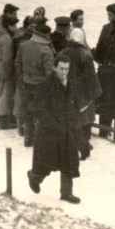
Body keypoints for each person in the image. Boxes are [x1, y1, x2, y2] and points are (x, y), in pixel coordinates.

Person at [27, 54, 83, 204]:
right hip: (49, 132)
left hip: (67, 129)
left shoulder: (71, 83)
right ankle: (34, 177)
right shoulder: (47, 84)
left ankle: (66, 193)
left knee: (69, 161)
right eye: (61, 69)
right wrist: (51, 123)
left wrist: (75, 124)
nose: (64, 72)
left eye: (67, 69)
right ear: (54, 67)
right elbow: (36, 107)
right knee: (47, 163)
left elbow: (75, 105)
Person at [64, 10, 102, 159]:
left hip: (69, 88)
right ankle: (84, 143)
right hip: (83, 90)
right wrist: (96, 92)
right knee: (86, 115)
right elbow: (91, 76)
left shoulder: (64, 52)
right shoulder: (85, 55)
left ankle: (73, 142)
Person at [17, 20, 56, 147]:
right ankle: (39, 139)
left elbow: (18, 63)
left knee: (28, 111)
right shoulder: (46, 50)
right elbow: (50, 73)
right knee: (40, 112)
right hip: (41, 87)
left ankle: (28, 138)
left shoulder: (24, 45)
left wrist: (23, 78)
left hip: (26, 83)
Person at [0, 4, 20, 129]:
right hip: (2, 71)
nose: (16, 28)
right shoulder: (7, 39)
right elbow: (7, 60)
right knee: (4, 95)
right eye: (14, 26)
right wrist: (11, 71)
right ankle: (3, 121)